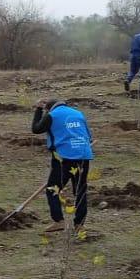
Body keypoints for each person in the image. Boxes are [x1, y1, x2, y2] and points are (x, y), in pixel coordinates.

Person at [32, 98, 94, 234]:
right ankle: (79, 225)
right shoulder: (78, 114)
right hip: (83, 156)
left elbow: (36, 129)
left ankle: (58, 221)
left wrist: (38, 110)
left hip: (63, 157)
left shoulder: (51, 115)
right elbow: (89, 137)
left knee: (52, 189)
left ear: (49, 108)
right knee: (80, 191)